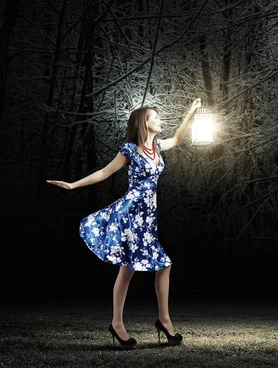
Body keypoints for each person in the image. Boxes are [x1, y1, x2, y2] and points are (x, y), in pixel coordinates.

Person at [47, 98, 202, 349]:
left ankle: (162, 320)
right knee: (130, 268)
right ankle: (121, 323)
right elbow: (104, 172)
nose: (160, 120)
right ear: (144, 122)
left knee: (161, 266)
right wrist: (73, 185)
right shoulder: (129, 150)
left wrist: (191, 113)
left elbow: (178, 139)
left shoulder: (158, 147)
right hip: (130, 213)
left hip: (148, 217)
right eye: (155, 117)